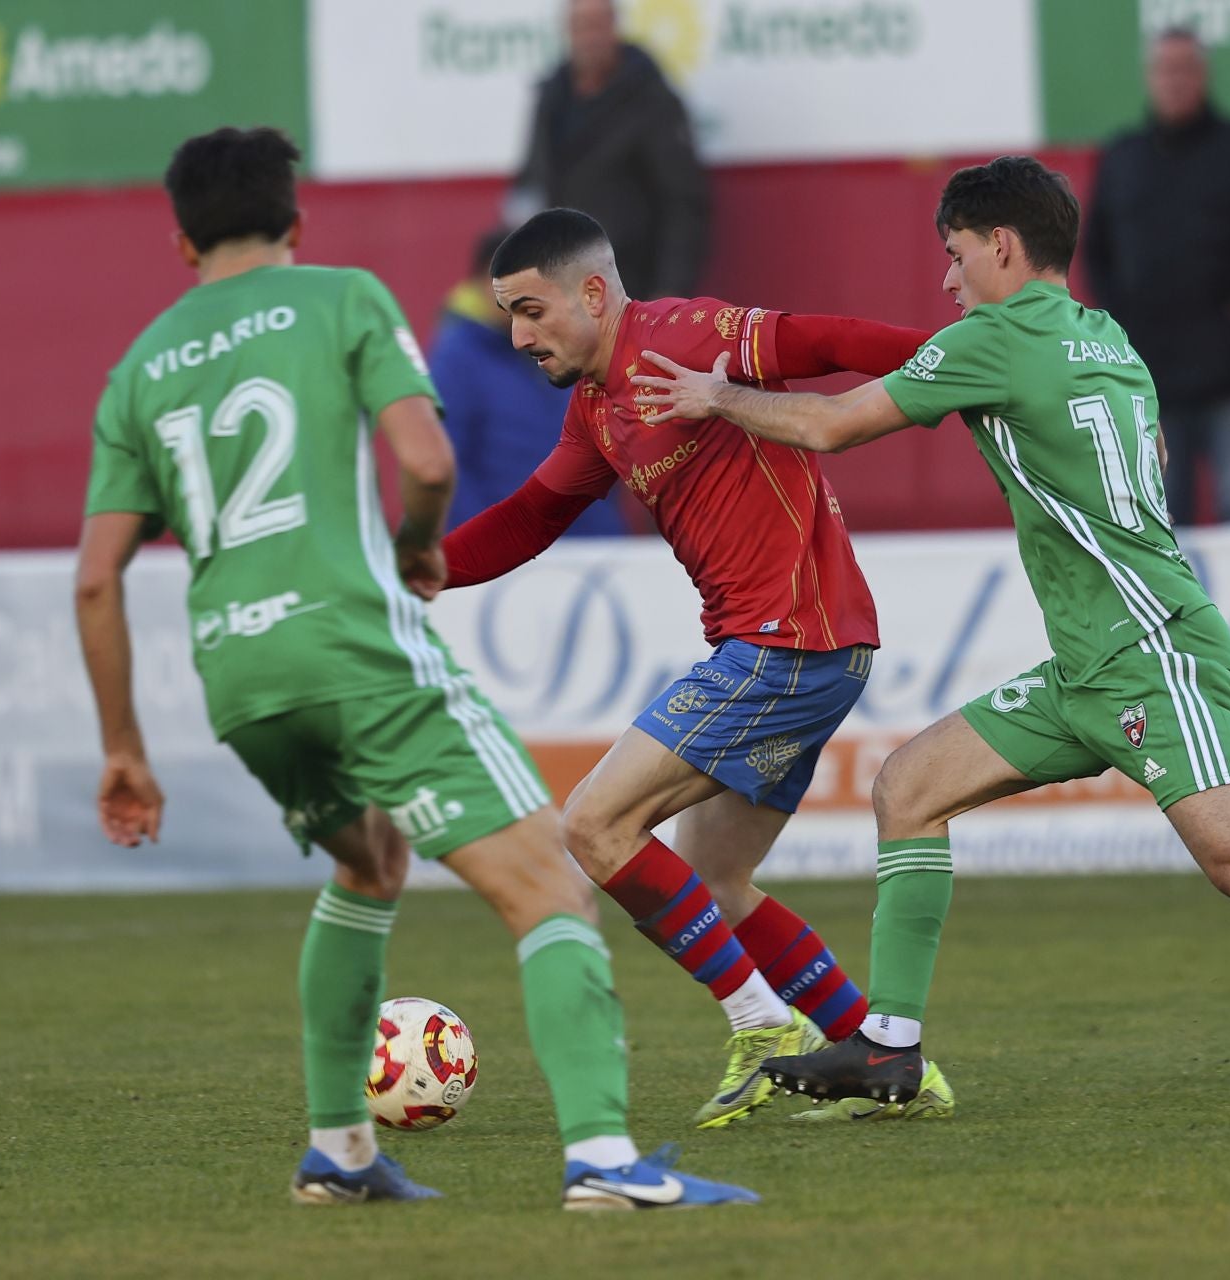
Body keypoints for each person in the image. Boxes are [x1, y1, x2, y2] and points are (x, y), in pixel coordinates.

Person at [632, 156, 1230, 1119]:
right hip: (1089, 666)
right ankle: (889, 1045)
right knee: (909, 788)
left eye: (956, 255)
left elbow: (837, 422)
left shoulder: (993, 338)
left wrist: (719, 401)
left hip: (1151, 654)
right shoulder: (1106, 338)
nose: (947, 280)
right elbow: (1154, 454)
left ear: (1001, 248)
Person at [73, 126, 758, 1211]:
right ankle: (606, 1161)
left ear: (179, 243)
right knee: (549, 885)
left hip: (242, 677)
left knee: (367, 863)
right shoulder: (340, 297)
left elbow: (98, 579)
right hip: (355, 648)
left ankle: (338, 1152)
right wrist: (419, 542)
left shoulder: (142, 367)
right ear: (294, 227)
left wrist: (122, 746)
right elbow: (428, 457)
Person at [441, 207, 954, 1127]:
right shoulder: (595, 409)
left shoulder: (685, 337)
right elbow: (527, 520)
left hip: (787, 644)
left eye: (531, 311)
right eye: (509, 316)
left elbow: (824, 340)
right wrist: (413, 571)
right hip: (802, 649)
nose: (518, 336)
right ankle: (890, 1064)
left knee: (595, 824)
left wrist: (974, 362)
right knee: (716, 879)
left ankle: (763, 1026)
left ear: (592, 293)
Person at [1083, 26, 1230, 525]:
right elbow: (1094, 254)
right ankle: (1173, 610)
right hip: (1148, 378)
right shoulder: (1122, 159)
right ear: (1150, 77)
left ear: (1203, 75)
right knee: (1160, 520)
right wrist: (1119, 324)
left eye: (1185, 69)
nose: (1175, 80)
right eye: (1166, 70)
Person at [429, 228, 624, 534]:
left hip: (591, 552)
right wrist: (493, 543)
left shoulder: (572, 346)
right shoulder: (457, 359)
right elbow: (444, 465)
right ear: (484, 284)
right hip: (513, 562)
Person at [509, 0, 709, 300]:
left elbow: (682, 201)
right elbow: (530, 185)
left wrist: (671, 291)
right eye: (581, 27)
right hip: (563, 289)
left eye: (597, 26)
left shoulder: (649, 98)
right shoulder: (552, 97)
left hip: (631, 287)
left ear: (615, 28)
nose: (590, 38)